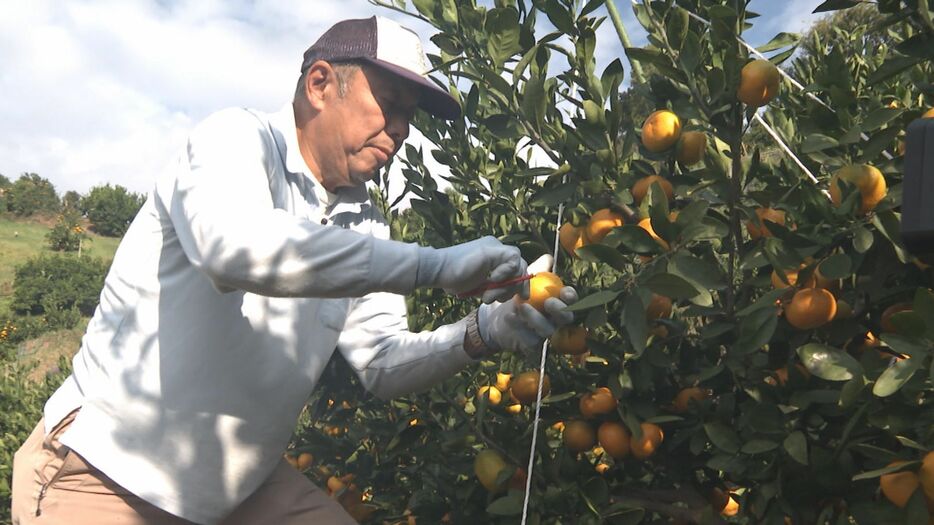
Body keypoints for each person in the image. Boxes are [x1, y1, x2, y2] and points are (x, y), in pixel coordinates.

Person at [10, 16, 577, 525]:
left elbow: (380, 362)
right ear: (320, 84)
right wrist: (434, 266)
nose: (402, 130)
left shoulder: (367, 222)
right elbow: (232, 247)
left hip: (240, 487)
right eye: (391, 104)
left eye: (410, 116)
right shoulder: (235, 139)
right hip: (108, 474)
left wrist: (483, 331)